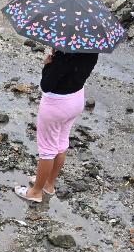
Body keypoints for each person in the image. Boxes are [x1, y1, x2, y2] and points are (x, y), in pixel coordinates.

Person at [15, 49, 98, 202]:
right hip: (76, 100)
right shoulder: (91, 51)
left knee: (47, 149)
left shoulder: (64, 55)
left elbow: (46, 85)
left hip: (56, 105)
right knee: (61, 144)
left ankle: (36, 192)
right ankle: (49, 184)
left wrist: (47, 65)